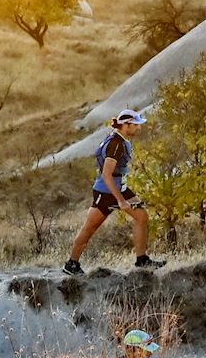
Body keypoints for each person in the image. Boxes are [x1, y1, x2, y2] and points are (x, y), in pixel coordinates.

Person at [64, 110, 166, 275]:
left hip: (120, 188)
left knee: (141, 216)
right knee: (90, 228)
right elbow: (106, 174)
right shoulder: (116, 144)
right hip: (107, 192)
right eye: (135, 125)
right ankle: (71, 264)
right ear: (126, 125)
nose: (139, 128)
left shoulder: (121, 139)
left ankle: (142, 260)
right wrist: (121, 201)